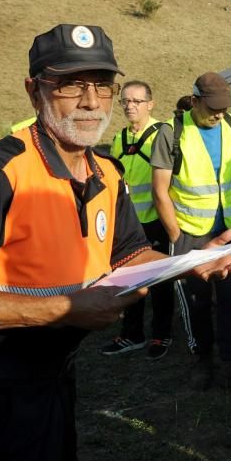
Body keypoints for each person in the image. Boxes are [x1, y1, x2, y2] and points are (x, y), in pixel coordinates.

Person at [0, 24, 231, 461]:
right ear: (34, 91)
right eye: (71, 84)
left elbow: (130, 254)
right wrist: (61, 309)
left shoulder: (103, 171)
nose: (91, 101)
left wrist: (188, 261)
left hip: (57, 376)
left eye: (101, 85)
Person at [150, 72, 231, 394]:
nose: (219, 114)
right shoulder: (172, 133)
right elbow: (160, 191)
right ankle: (202, 359)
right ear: (195, 100)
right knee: (196, 301)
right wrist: (175, 236)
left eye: (224, 108)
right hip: (190, 236)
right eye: (213, 108)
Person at [100, 80, 176, 360]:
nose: (130, 106)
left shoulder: (162, 134)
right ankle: (131, 334)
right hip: (129, 224)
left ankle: (162, 334)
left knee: (160, 280)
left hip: (157, 220)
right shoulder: (120, 137)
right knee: (128, 279)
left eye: (136, 101)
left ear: (150, 104)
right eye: (125, 102)